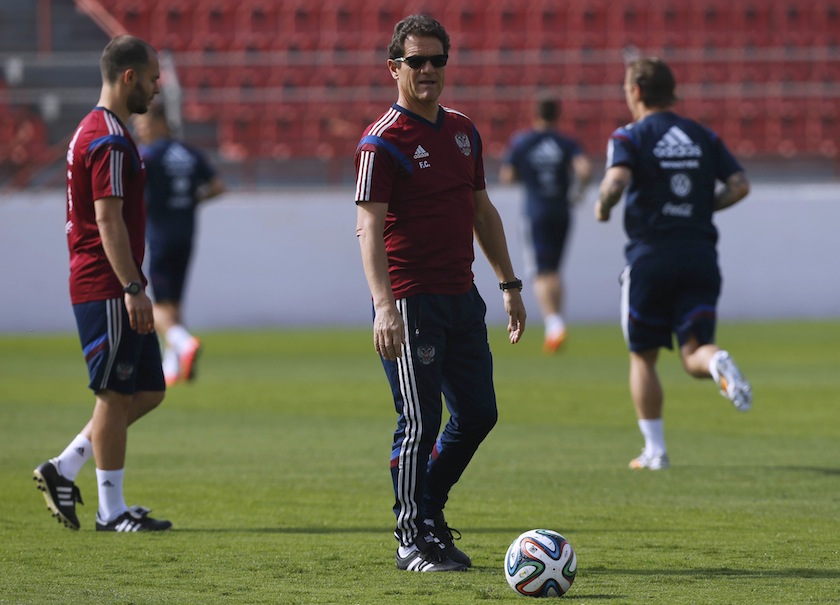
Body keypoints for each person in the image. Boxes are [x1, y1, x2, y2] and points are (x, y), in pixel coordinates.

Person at [354, 14, 526, 572]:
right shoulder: (380, 142)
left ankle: (429, 511)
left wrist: (508, 283)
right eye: (416, 61)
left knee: (478, 413)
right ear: (394, 69)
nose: (428, 70)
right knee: (419, 420)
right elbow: (367, 229)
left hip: (463, 296)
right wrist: (383, 306)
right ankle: (410, 541)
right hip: (411, 300)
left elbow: (482, 210)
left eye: (437, 60)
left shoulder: (462, 129)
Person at [33, 35, 172, 531]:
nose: (157, 89)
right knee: (114, 394)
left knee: (149, 389)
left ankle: (65, 466)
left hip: (106, 280)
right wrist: (133, 287)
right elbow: (108, 220)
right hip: (108, 284)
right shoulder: (109, 139)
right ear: (128, 76)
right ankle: (110, 511)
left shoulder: (95, 129)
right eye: (153, 78)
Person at [595, 57, 753, 471]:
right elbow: (740, 185)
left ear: (637, 91)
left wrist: (603, 204)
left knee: (643, 356)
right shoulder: (702, 135)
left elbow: (616, 181)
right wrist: (702, 209)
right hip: (700, 255)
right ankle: (717, 361)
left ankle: (655, 451)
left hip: (651, 257)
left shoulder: (629, 135)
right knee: (694, 351)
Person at [133, 103, 225, 386]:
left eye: (144, 125)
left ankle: (182, 343)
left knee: (158, 303)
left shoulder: (148, 155)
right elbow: (217, 186)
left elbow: (135, 191)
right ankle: (172, 365)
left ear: (160, 122)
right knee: (173, 301)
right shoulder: (189, 152)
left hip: (160, 234)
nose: (140, 131)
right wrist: (192, 201)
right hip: (185, 233)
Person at [500, 96, 592, 353]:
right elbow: (584, 170)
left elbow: (507, 176)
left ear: (534, 114)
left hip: (536, 211)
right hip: (561, 210)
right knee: (554, 270)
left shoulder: (523, 141)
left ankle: (554, 325)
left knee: (541, 272)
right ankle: (557, 322)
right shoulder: (566, 142)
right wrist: (578, 192)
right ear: (557, 114)